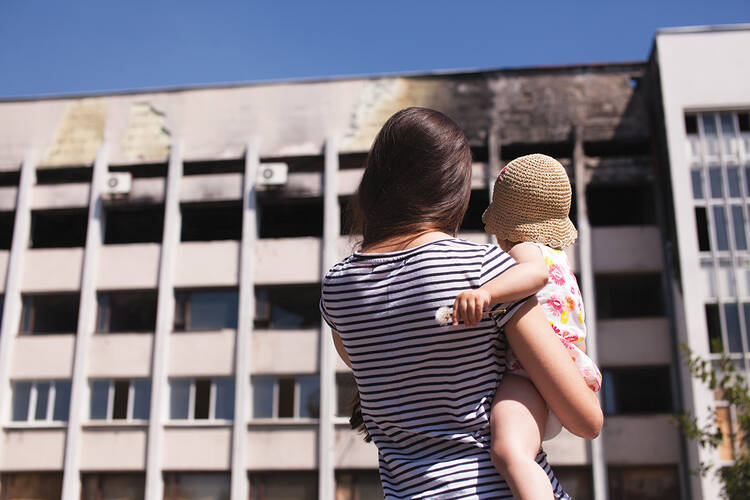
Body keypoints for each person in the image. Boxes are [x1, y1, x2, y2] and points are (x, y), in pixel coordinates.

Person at [320, 107, 602, 499]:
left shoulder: (337, 287)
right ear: (457, 189)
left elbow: (371, 362)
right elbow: (585, 419)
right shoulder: (487, 271)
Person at [450, 153, 602, 499]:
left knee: (509, 453)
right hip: (569, 370)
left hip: (531, 375)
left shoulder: (526, 250)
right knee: (520, 454)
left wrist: (485, 293)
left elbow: (534, 276)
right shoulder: (558, 257)